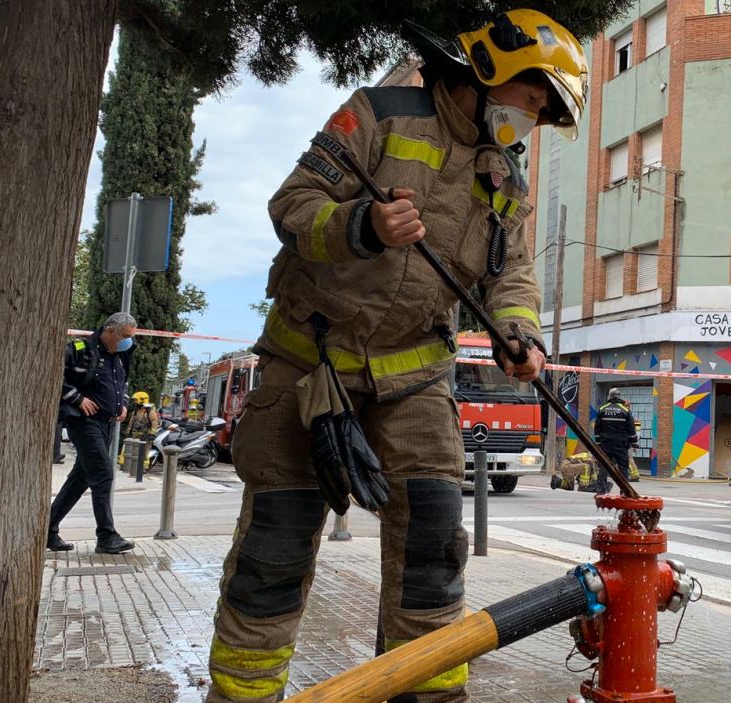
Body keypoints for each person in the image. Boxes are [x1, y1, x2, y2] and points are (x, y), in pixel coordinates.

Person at [205, 10, 586, 703]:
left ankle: (428, 696)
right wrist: (365, 225)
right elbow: (291, 205)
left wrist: (521, 336)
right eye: (531, 102)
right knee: (276, 551)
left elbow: (513, 276)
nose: (530, 122)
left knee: (435, 552)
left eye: (541, 114)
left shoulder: (506, 177)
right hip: (308, 368)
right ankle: (241, 696)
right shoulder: (378, 115)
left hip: (414, 378)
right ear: (494, 73)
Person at [46, 312, 138, 554]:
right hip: (84, 421)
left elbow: (123, 383)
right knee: (103, 473)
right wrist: (77, 399)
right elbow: (53, 374)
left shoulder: (120, 355)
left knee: (82, 478)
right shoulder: (80, 349)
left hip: (105, 423)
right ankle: (106, 537)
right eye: (125, 336)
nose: (129, 341)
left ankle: (47, 529)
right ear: (109, 331)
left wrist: (123, 404)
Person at [593, 388, 637, 495]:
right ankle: (624, 491)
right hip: (621, 444)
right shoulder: (625, 410)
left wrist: (598, 442)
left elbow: (597, 428)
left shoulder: (602, 409)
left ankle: (600, 490)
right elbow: (631, 428)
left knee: (604, 466)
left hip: (606, 443)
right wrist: (634, 441)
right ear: (619, 396)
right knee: (623, 468)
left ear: (609, 396)